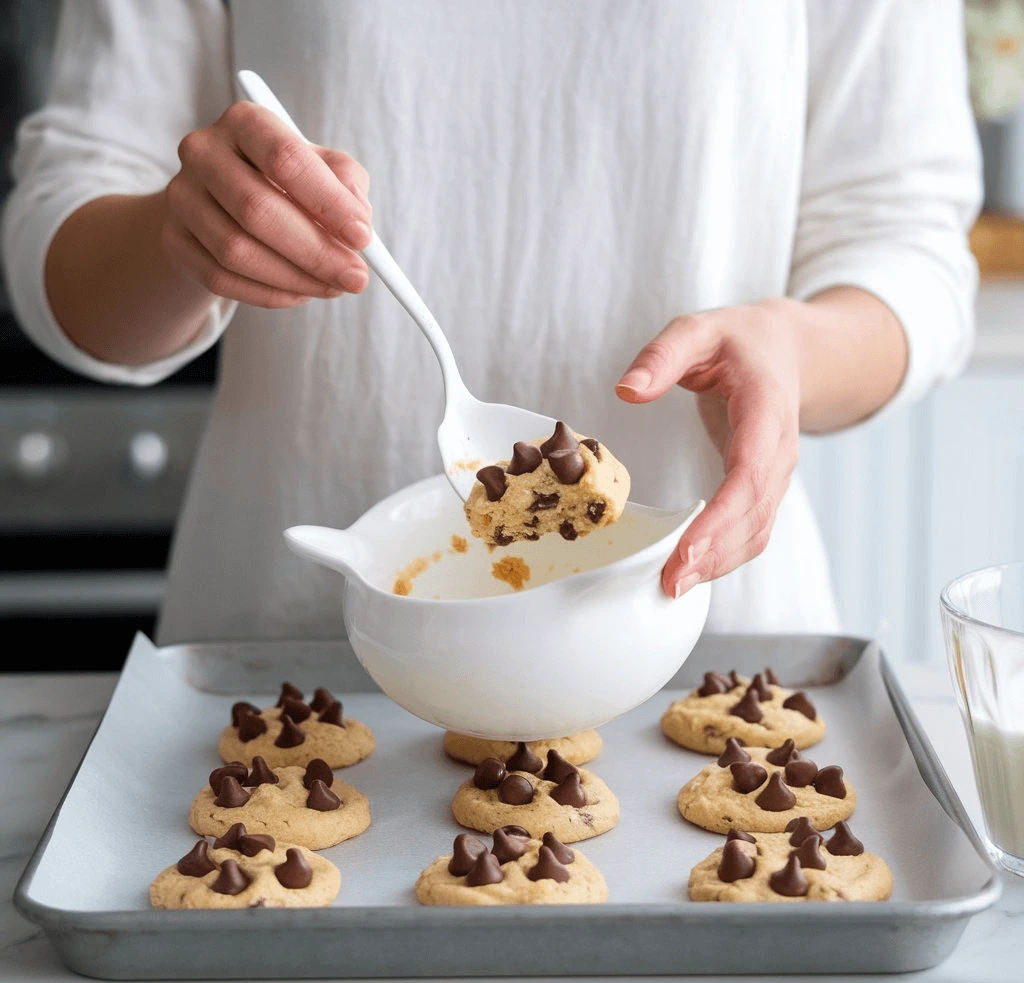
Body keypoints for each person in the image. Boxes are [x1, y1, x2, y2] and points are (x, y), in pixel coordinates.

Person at [2, 1, 980, 644]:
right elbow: (63, 228)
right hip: (291, 654)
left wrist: (792, 350)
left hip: (692, 643)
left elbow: (906, 240)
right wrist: (184, 235)